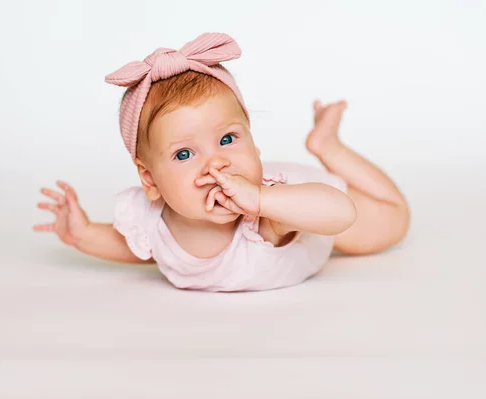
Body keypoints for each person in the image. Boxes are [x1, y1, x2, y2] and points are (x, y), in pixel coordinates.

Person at [33, 33, 410, 292]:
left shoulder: (266, 213)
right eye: (184, 154)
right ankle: (324, 143)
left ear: (253, 142)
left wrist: (262, 200)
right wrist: (81, 234)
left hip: (307, 202)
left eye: (228, 139)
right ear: (150, 180)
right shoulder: (151, 220)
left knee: (393, 219)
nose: (217, 164)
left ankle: (329, 147)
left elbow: (340, 212)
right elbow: (137, 249)